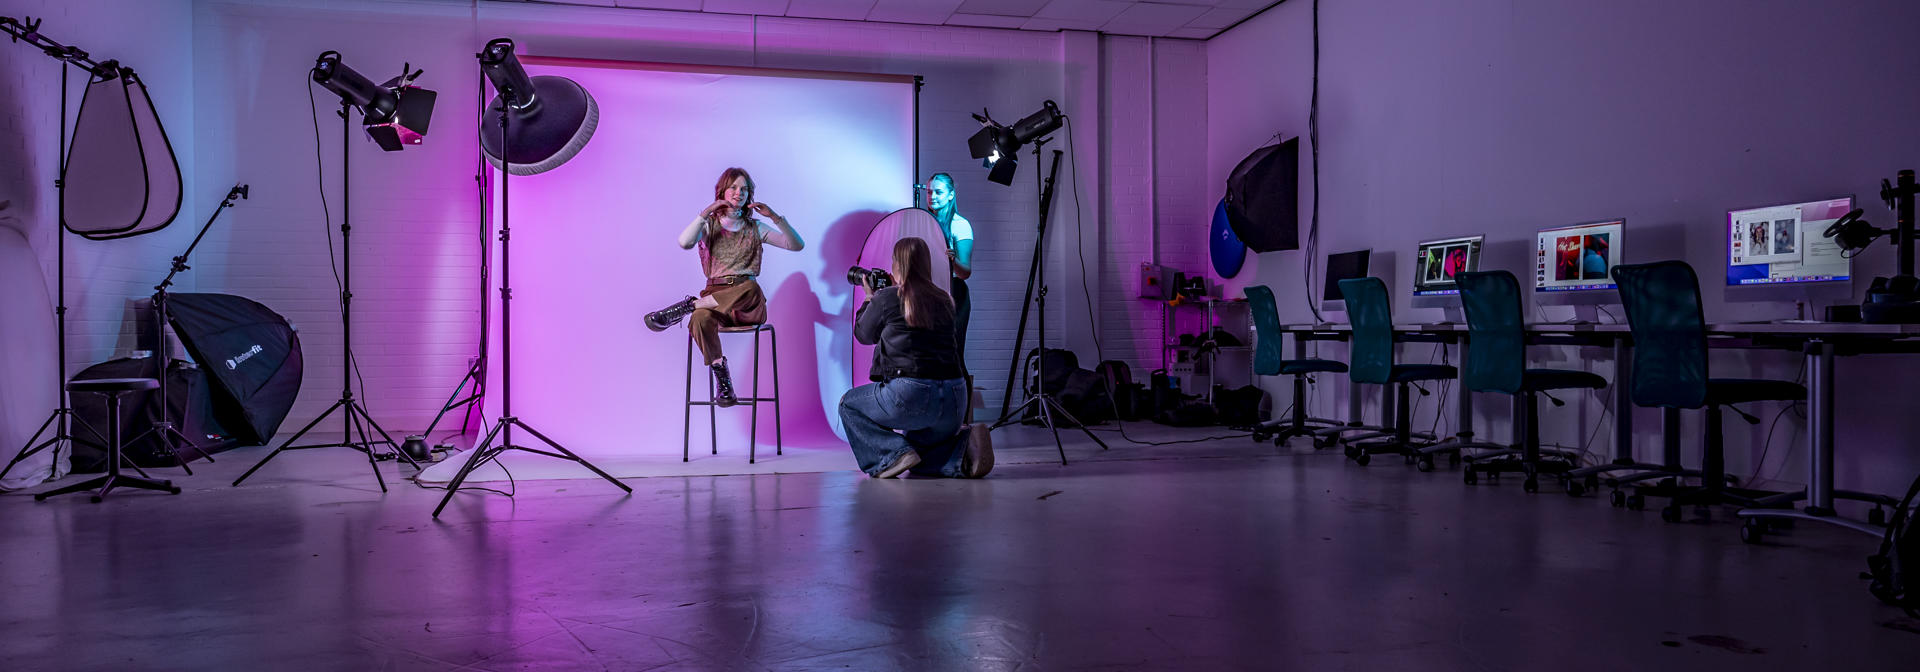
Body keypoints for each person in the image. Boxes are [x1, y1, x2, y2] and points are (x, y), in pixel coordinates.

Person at [645, 167, 804, 406]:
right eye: (733, 187)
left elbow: (796, 245)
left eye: (744, 189)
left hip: (747, 306)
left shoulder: (755, 228)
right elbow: (684, 242)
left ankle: (687, 306)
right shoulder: (709, 225)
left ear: (749, 195)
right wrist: (705, 213)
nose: (738, 192)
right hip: (715, 299)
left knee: (751, 288)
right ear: (722, 191)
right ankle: (722, 377)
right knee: (699, 319)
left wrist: (774, 217)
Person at [839, 238, 993, 479]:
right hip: (956, 399)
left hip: (912, 395)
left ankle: (891, 454)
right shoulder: (945, 299)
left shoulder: (887, 298)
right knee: (916, 455)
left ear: (897, 264)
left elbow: (863, 334)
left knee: (848, 404)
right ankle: (960, 454)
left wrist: (870, 298)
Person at [925, 173, 974, 360]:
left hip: (954, 293)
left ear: (951, 195)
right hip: (928, 292)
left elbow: (965, 272)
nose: (933, 197)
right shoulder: (924, 222)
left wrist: (952, 261)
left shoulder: (960, 225)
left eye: (938, 192)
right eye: (929, 192)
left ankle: (959, 389)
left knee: (952, 355)